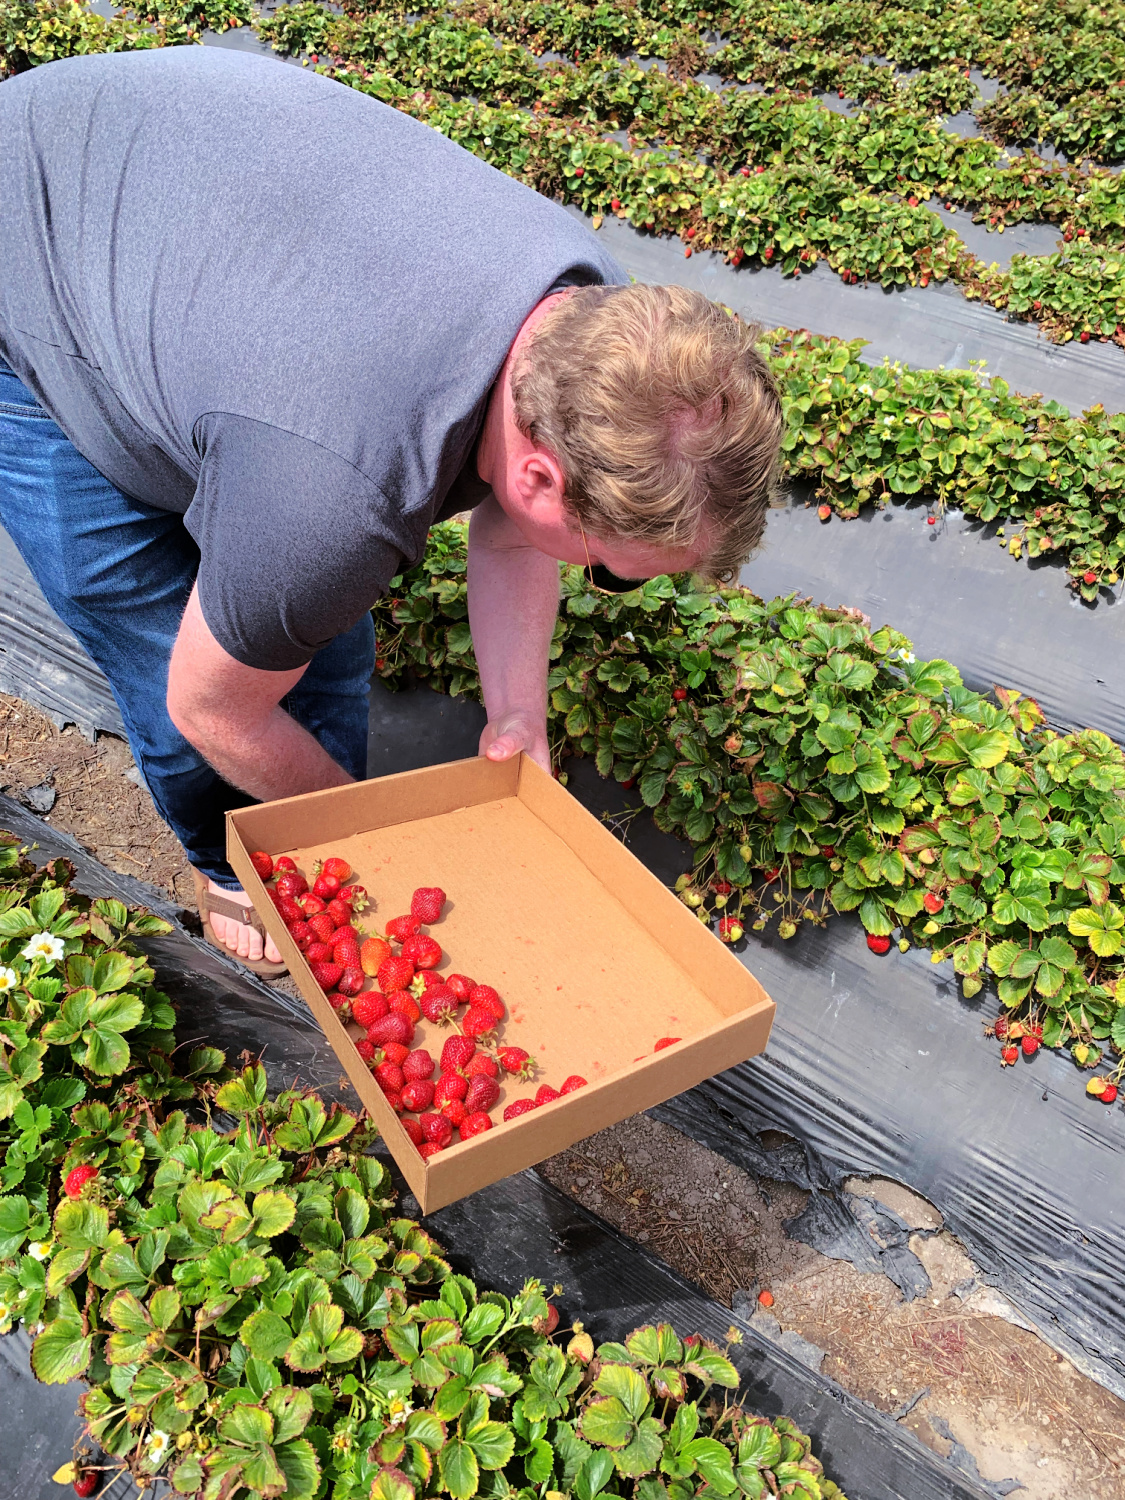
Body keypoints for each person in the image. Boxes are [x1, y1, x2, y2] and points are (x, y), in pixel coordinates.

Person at [0, 46, 782, 976]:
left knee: (315, 635)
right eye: (606, 568)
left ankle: (292, 824)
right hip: (33, 244)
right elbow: (209, 705)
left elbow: (511, 532)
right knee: (165, 641)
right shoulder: (333, 495)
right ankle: (231, 868)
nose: (601, 582)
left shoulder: (600, 331)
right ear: (540, 476)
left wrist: (517, 715)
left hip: (188, 200)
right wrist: (373, 848)